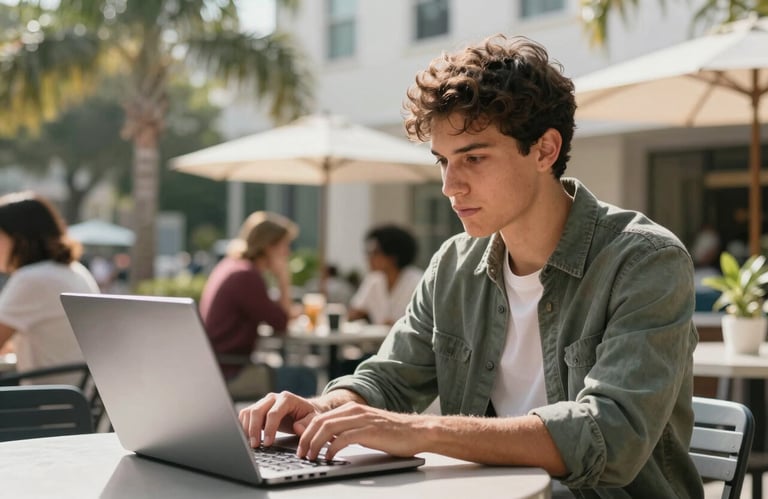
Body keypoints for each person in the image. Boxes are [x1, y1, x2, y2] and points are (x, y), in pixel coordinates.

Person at [238, 35, 701, 497]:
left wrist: (420, 432)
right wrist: (326, 408)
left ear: (545, 150)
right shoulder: (454, 265)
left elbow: (609, 437)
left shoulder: (645, 261)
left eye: (474, 158)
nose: (449, 186)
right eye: (443, 161)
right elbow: (390, 379)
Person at [0, 191, 100, 385]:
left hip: (47, 406)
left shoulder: (32, 279)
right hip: (76, 404)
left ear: (19, 239)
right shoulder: (75, 271)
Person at [199, 211, 299, 399]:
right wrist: (284, 279)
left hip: (217, 366)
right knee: (303, 377)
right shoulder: (246, 276)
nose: (288, 253)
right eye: (285, 245)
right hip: (229, 372)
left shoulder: (232, 265)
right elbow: (281, 322)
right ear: (270, 247)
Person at [347, 225, 423, 325]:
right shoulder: (374, 280)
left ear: (393, 256)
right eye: (368, 252)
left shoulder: (418, 281)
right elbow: (355, 311)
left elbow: (424, 323)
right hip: (378, 340)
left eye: (375, 252)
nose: (369, 258)